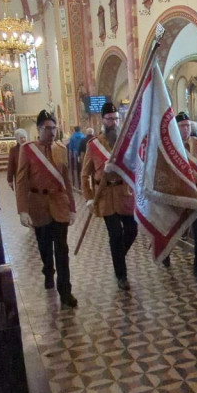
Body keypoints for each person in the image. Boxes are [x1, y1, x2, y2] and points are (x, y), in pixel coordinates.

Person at [15, 110, 77, 308]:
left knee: (62, 248)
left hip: (59, 204)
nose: (52, 132)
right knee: (44, 246)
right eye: (47, 128)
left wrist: (73, 208)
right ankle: (48, 270)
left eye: (54, 128)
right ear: (39, 129)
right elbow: (21, 180)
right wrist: (22, 210)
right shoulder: (27, 149)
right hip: (38, 206)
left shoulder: (60, 149)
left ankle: (65, 292)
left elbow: (66, 179)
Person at [81, 102, 137, 291]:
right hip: (104, 197)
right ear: (102, 120)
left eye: (115, 118)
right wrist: (89, 198)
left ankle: (117, 257)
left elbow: (135, 165)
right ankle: (121, 276)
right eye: (109, 119)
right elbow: (84, 174)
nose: (113, 122)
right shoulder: (93, 145)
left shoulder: (125, 143)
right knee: (115, 234)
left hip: (124, 194)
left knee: (132, 230)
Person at [173, 112, 197, 279]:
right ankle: (165, 253)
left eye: (188, 125)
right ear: (176, 127)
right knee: (171, 226)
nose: (186, 129)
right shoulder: (171, 146)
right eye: (182, 126)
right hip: (178, 193)